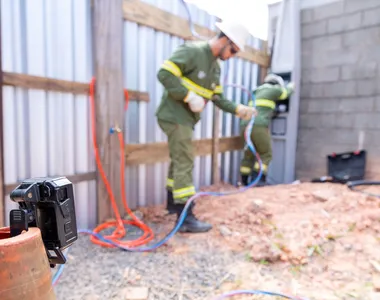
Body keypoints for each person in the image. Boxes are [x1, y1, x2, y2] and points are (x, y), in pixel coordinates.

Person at [156, 20, 258, 233]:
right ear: (224, 40)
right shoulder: (193, 51)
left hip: (185, 119)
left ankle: (173, 205)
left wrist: (239, 109)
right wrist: (187, 95)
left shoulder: (216, 69)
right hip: (174, 116)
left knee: (179, 160)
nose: (232, 56)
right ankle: (185, 218)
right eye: (233, 50)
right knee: (185, 160)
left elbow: (218, 99)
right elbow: (164, 74)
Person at [239, 73, 294, 186]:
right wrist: (291, 86)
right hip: (258, 125)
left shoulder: (256, 91)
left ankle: (243, 183)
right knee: (265, 154)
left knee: (248, 155)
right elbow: (285, 94)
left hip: (245, 125)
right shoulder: (274, 89)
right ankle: (258, 181)